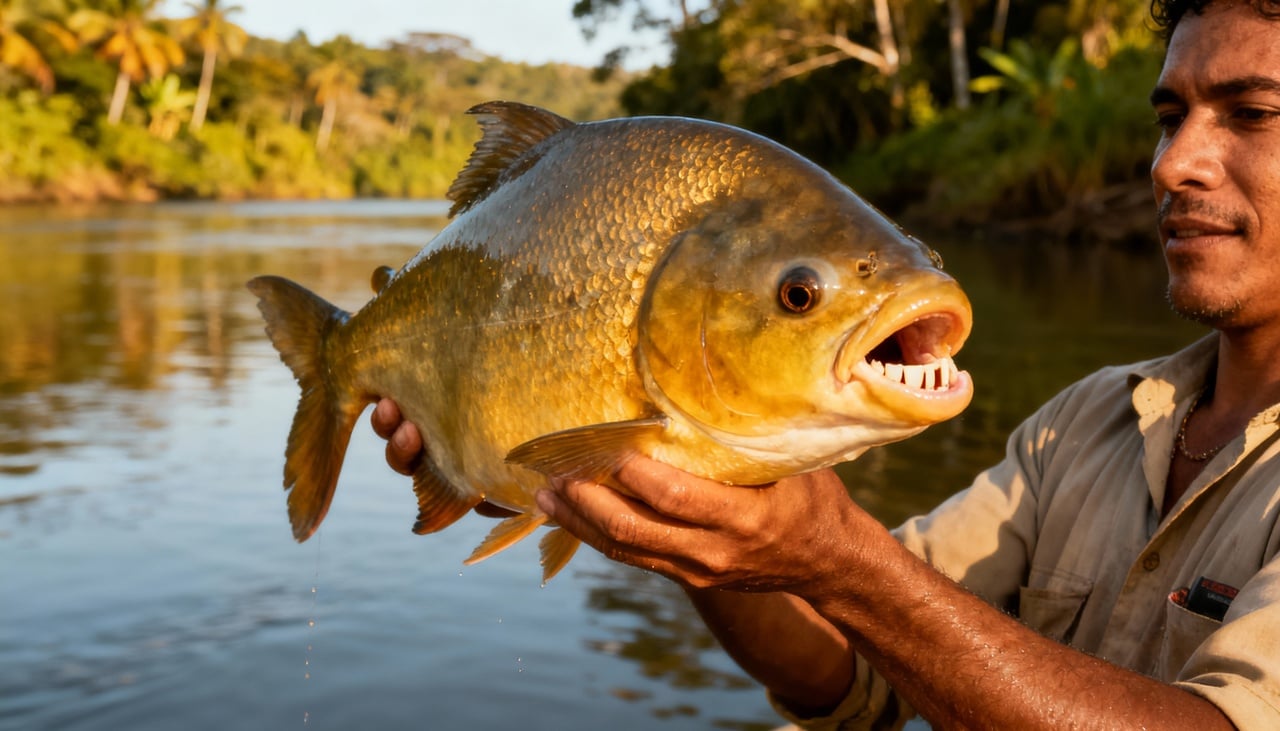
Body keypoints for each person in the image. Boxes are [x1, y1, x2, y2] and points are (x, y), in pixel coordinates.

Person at [373, 1, 1280, 727]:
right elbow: (853, 675)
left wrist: (839, 560)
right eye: (1170, 117)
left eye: (1251, 114)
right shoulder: (1083, 424)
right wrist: (705, 534)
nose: (1175, 163)